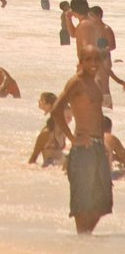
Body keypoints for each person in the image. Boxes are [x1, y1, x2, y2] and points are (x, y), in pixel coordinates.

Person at [51, 45, 112, 234]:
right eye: (88, 59)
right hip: (83, 149)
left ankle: (84, 240)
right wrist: (72, 137)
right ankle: (82, 243)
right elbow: (56, 110)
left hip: (98, 147)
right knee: (82, 204)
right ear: (81, 61)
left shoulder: (97, 83)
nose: (93, 63)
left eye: (96, 59)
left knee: (103, 203)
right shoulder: (75, 82)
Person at [29, 92, 67, 167]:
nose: (39, 101)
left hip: (50, 164)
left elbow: (33, 157)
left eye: (41, 100)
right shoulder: (63, 130)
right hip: (62, 162)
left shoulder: (46, 133)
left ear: (49, 105)